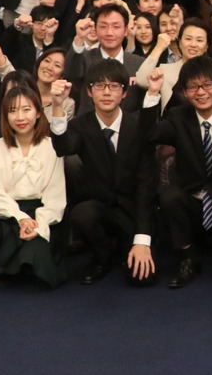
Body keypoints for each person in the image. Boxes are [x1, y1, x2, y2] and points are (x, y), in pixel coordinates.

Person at [144, 56, 212, 288]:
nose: (201, 92)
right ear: (185, 92)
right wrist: (153, 93)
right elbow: (150, 134)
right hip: (192, 205)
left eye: (207, 85)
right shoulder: (178, 117)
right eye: (193, 87)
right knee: (169, 196)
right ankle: (189, 257)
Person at [48, 61, 158, 286]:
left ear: (124, 93)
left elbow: (145, 186)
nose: (106, 92)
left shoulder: (138, 127)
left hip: (132, 210)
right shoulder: (81, 125)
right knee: (82, 215)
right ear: (89, 92)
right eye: (99, 86)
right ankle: (102, 255)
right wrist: (57, 106)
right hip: (99, 208)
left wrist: (142, 240)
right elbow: (63, 147)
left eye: (114, 86)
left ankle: (125, 246)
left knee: (142, 279)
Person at [0, 86, 67, 288]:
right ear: (5, 116)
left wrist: (39, 224)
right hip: (10, 212)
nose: (20, 117)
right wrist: (20, 218)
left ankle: (17, 265)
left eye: (26, 109)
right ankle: (20, 262)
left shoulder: (52, 146)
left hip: (42, 212)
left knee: (36, 249)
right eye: (12, 111)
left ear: (38, 113)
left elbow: (56, 194)